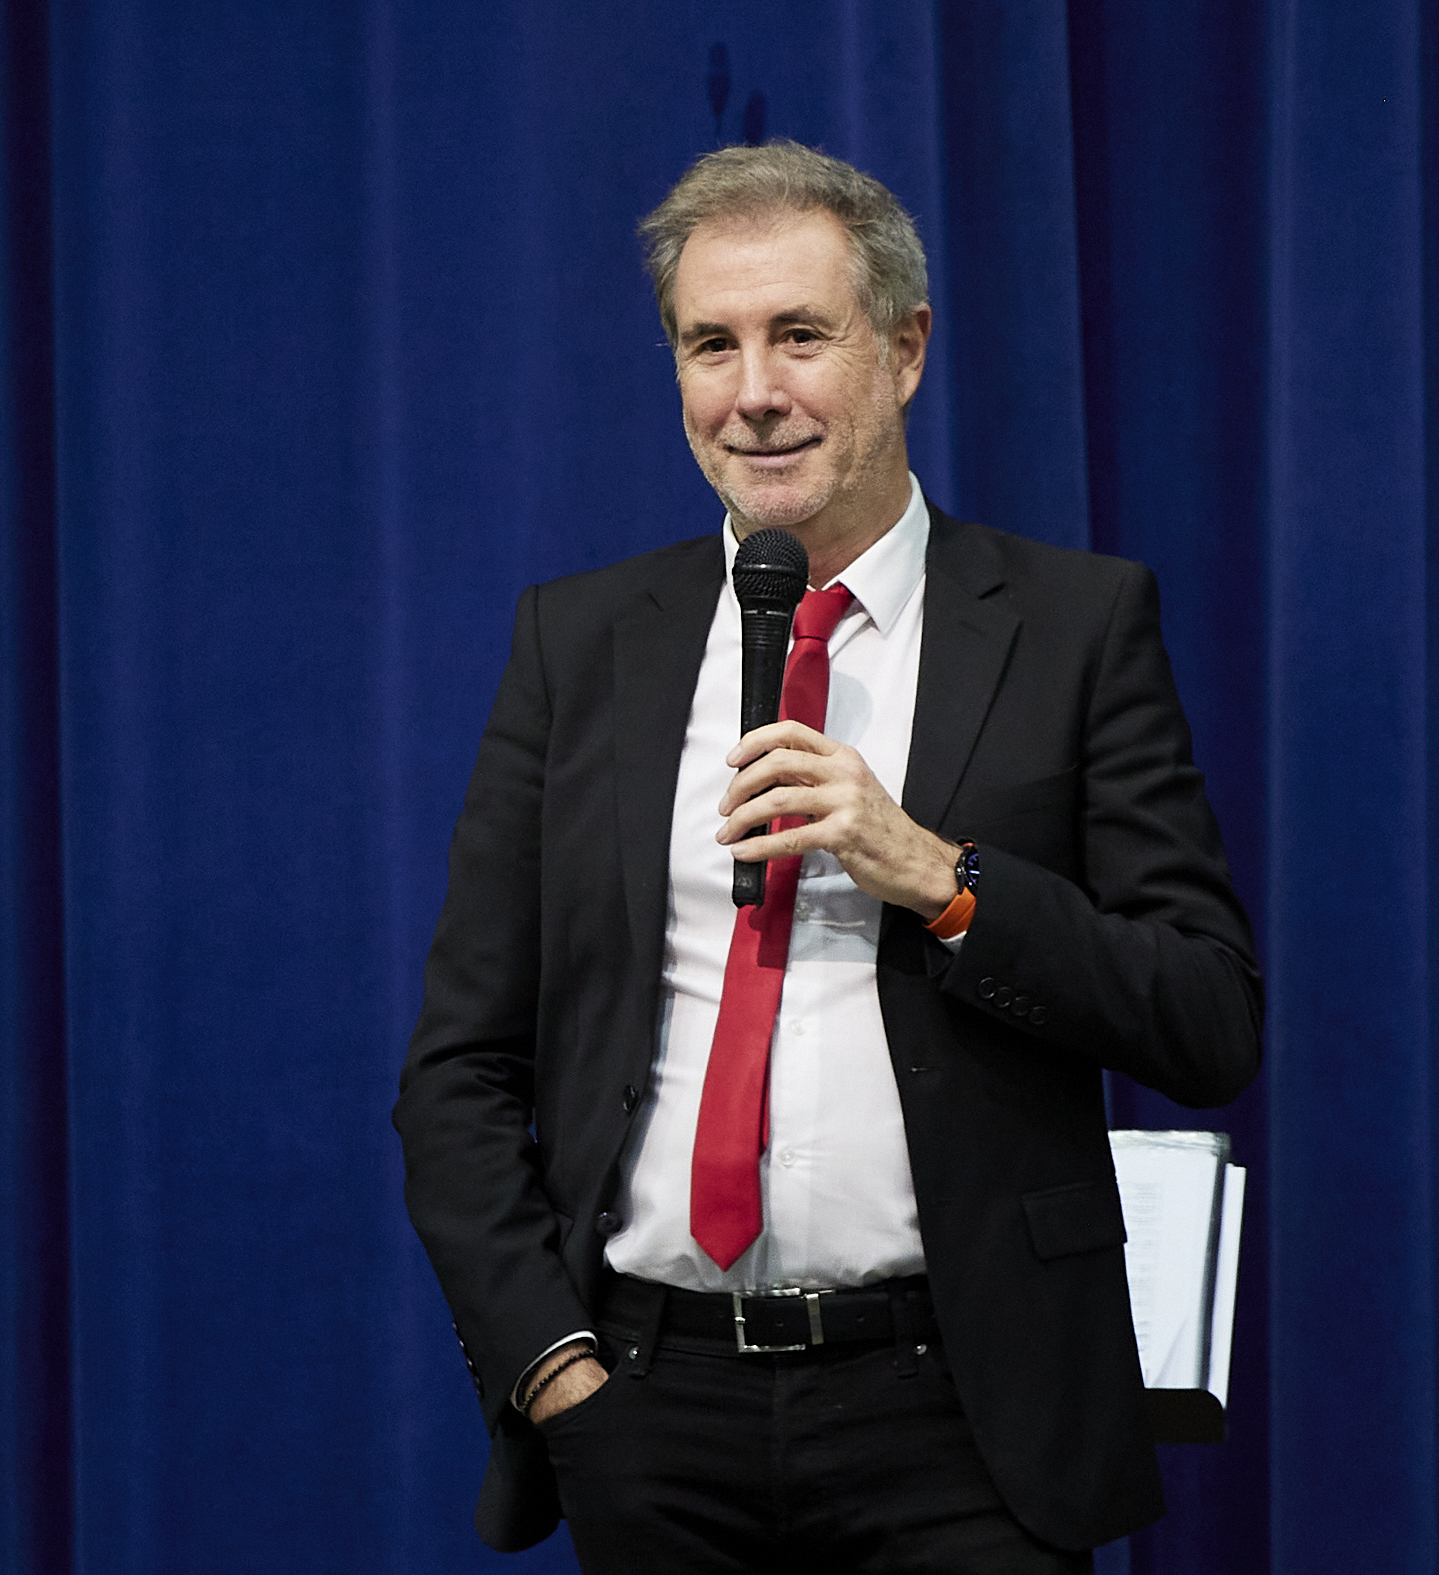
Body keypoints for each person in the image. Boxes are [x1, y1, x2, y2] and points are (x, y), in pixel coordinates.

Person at [394, 140, 1261, 1573]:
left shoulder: (1071, 627)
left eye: (800, 335)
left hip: (964, 1420)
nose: (753, 393)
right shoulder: (581, 642)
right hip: (650, 1414)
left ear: (904, 351)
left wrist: (943, 878)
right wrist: (553, 1369)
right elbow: (459, 1067)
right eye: (710, 345)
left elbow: (1207, 1018)